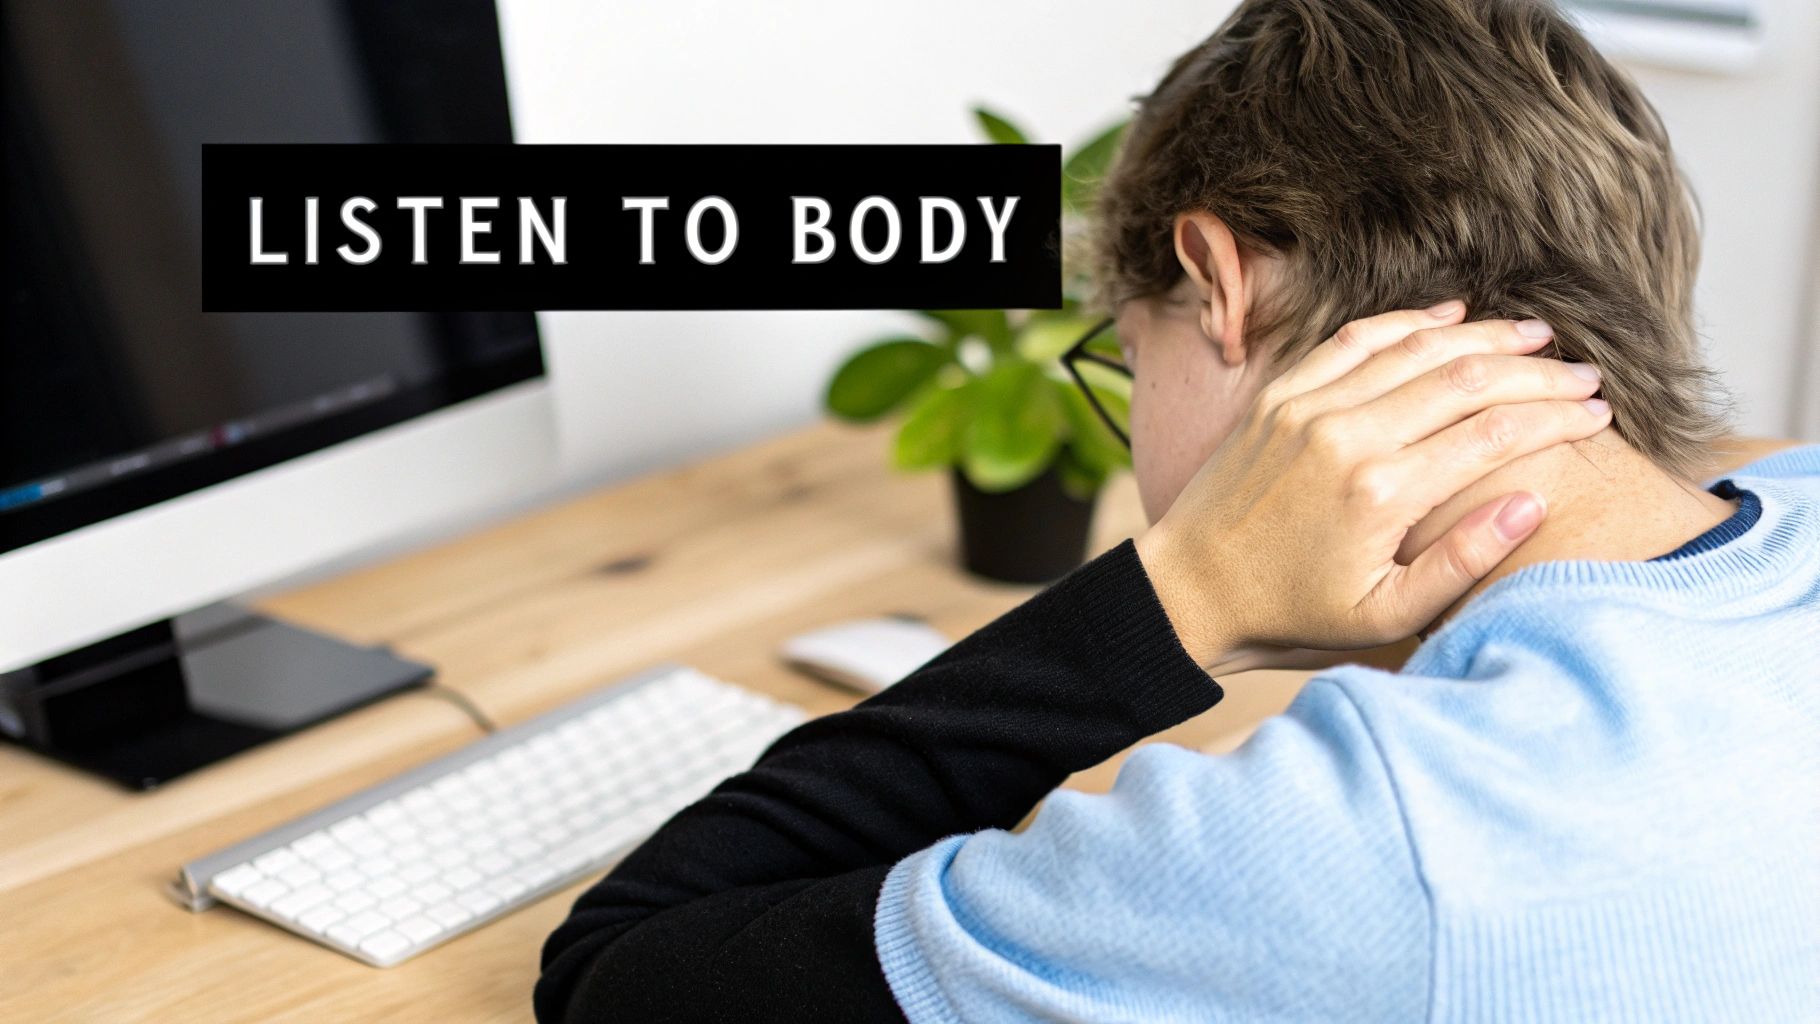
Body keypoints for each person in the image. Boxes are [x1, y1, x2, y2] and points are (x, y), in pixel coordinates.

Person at [537, 0, 1818, 1019]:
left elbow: (617, 971)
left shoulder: (1360, 838)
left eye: (1127, 352)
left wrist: (1180, 591)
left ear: (1219, 287)